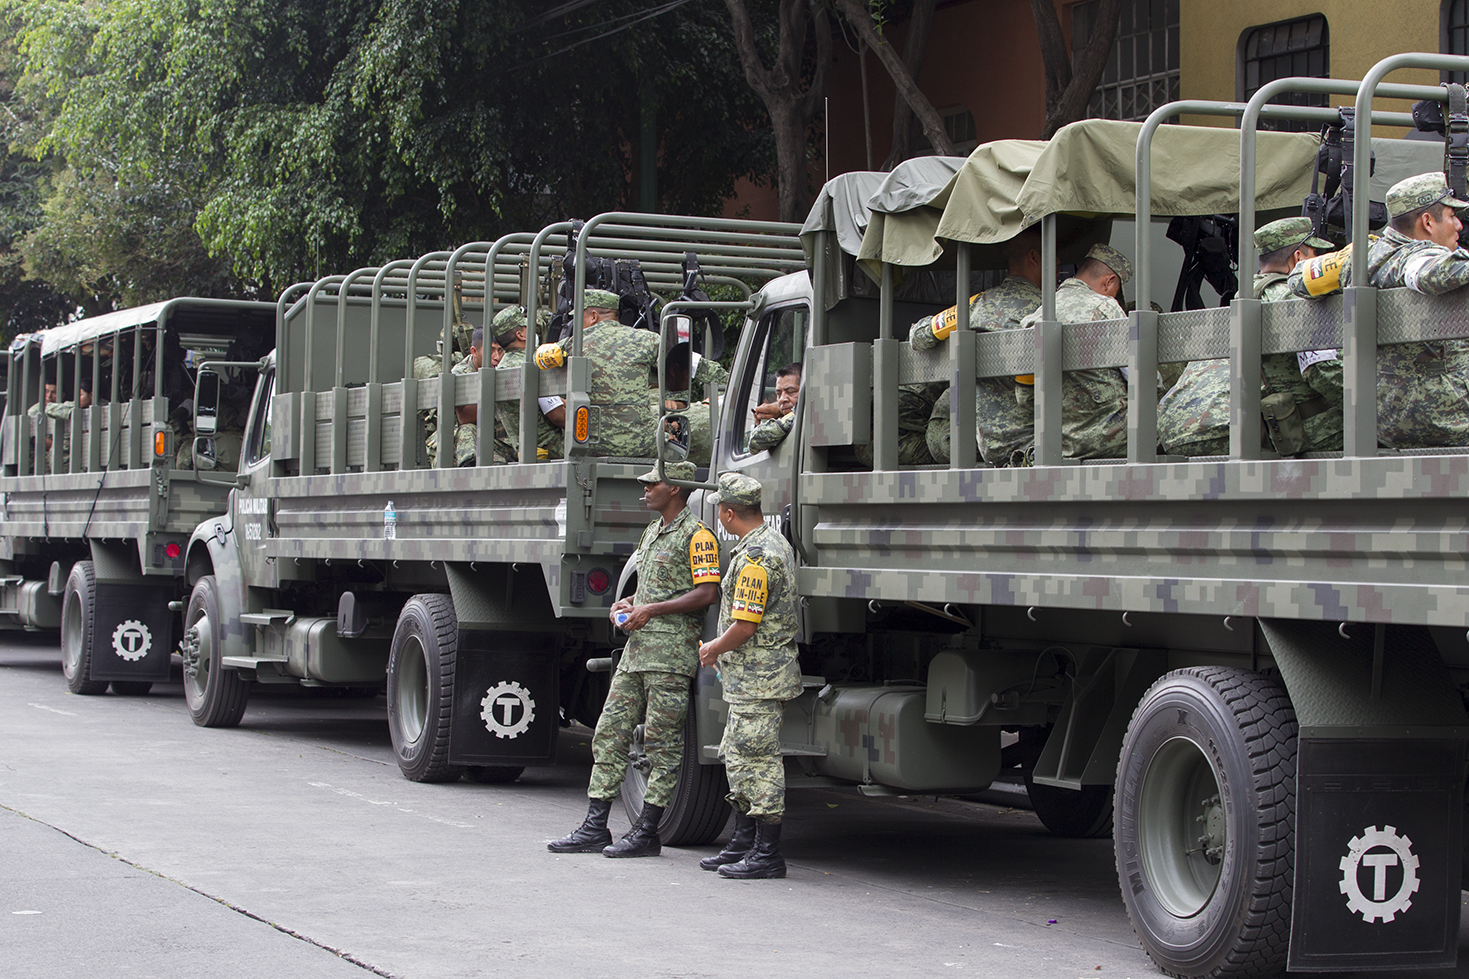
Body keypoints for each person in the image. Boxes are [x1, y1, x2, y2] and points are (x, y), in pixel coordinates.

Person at [548, 459, 720, 858]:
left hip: (669, 655)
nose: (644, 490)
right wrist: (628, 602)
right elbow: (651, 586)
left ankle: (647, 830)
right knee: (609, 733)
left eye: (652, 484)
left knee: (662, 744)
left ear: (675, 488)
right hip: (637, 651)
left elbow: (707, 593)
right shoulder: (653, 532)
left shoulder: (698, 537)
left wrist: (652, 610)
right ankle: (595, 825)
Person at [1289, 171, 1469, 449]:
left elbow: (1297, 279)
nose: (1459, 225)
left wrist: (1345, 259)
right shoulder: (1416, 257)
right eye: (1451, 216)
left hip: (1382, 419)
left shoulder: (1359, 257)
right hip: (1443, 417)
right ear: (1428, 222)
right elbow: (1432, 273)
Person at [1156, 217, 1336, 457]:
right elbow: (1326, 371)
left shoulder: (1243, 297)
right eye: (1315, 253)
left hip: (1176, 429)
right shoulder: (1292, 298)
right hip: (1229, 430)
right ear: (1299, 258)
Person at [697, 472, 801, 879]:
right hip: (751, 678)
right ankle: (743, 842)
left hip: (759, 678)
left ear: (727, 513)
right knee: (737, 754)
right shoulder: (773, 543)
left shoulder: (756, 558)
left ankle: (768, 853)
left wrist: (711, 649)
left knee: (758, 762)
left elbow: (745, 625)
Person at [912, 228, 1043, 467]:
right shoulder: (1047, 311)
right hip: (1028, 443)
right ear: (1034, 258)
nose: (1057, 271)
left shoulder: (974, 306)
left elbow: (919, 336)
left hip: (981, 443)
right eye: (1054, 263)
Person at [1015, 243, 1133, 460]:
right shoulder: (1106, 308)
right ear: (1109, 281)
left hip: (1057, 444)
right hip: (1113, 437)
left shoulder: (1035, 317)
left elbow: (1025, 398)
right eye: (1116, 293)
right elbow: (1141, 376)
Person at [534, 289, 660, 456]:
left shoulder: (575, 344)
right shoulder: (649, 339)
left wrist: (543, 352)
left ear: (593, 316)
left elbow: (539, 359)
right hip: (642, 447)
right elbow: (688, 363)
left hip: (591, 447)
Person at [493, 304, 563, 462]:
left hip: (525, 446)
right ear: (521, 335)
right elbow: (558, 415)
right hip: (553, 446)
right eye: (526, 326)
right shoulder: (533, 364)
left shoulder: (503, 366)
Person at [745, 362, 801, 453]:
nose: (782, 399)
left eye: (790, 391)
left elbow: (755, 441)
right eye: (778, 394)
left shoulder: (802, 415)